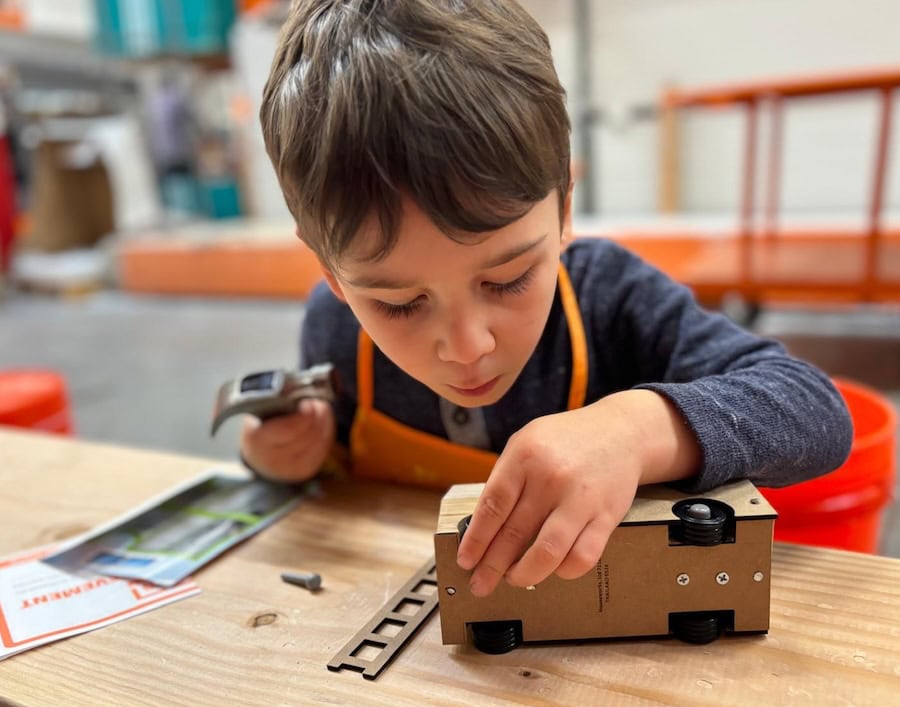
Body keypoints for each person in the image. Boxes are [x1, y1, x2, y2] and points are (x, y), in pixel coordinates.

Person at [243, 0, 853, 598]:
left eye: (507, 279)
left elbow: (814, 410)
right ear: (330, 271)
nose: (467, 347)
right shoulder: (333, 329)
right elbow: (329, 480)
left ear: (563, 209)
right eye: (400, 304)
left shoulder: (610, 297)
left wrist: (634, 431)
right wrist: (284, 458)